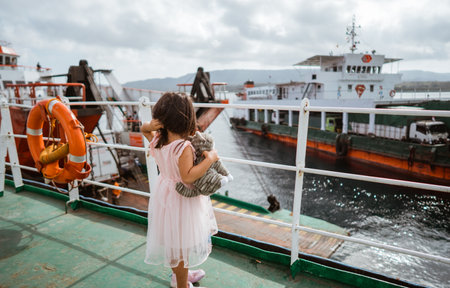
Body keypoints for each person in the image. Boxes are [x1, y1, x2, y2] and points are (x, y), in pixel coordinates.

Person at [141, 92, 218, 288]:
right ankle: (181, 284)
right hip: (182, 199)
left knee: (175, 242)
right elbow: (188, 176)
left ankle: (179, 276)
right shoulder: (183, 147)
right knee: (182, 246)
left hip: (164, 194)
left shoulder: (158, 140)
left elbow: (144, 130)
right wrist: (210, 159)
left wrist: (151, 126)